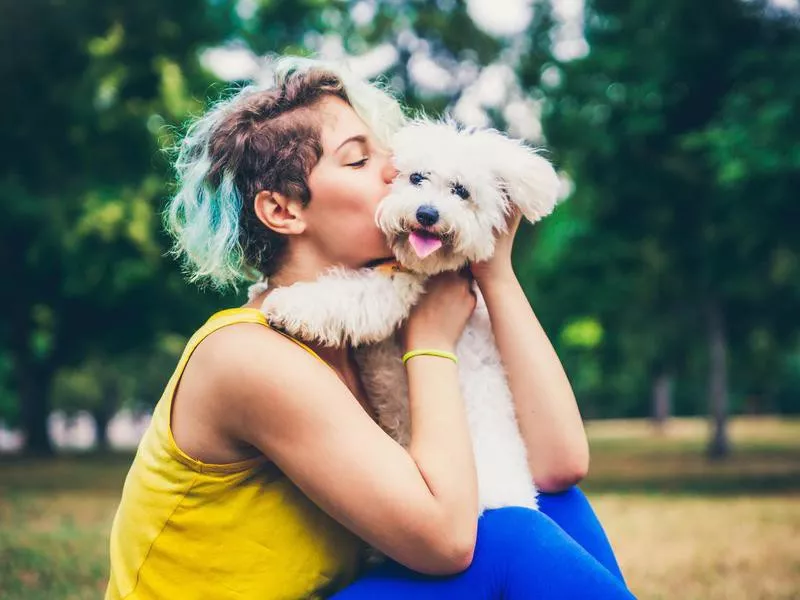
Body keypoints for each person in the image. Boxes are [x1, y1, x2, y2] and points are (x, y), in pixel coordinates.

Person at [105, 57, 635, 599]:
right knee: (511, 536)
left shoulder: (376, 324)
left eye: (389, 155)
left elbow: (559, 466)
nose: (392, 172)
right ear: (282, 210)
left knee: (554, 505)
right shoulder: (247, 354)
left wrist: (494, 273)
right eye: (358, 159)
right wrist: (430, 343)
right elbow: (449, 542)